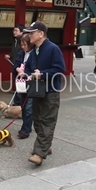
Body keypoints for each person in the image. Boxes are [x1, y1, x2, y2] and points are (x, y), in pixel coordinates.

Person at [23, 21, 66, 166]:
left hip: (50, 91)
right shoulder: (34, 50)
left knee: (47, 121)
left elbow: (60, 69)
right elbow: (29, 67)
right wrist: (28, 74)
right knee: (37, 119)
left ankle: (39, 153)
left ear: (41, 34)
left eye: (32, 33)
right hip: (37, 90)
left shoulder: (53, 48)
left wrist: (42, 74)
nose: (29, 35)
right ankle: (45, 145)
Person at [13, 33, 34, 139]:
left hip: (31, 82)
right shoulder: (21, 53)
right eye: (22, 44)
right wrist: (18, 69)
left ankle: (25, 130)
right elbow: (16, 63)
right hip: (22, 83)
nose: (23, 47)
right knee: (24, 106)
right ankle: (27, 126)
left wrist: (29, 74)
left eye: (25, 44)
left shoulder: (35, 53)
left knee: (29, 107)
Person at [5, 24, 24, 106]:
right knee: (17, 83)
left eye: (16, 30)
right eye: (14, 30)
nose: (14, 32)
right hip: (15, 65)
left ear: (22, 32)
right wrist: (10, 55)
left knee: (21, 84)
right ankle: (17, 102)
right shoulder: (15, 40)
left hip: (21, 67)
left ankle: (19, 102)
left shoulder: (23, 41)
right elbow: (14, 52)